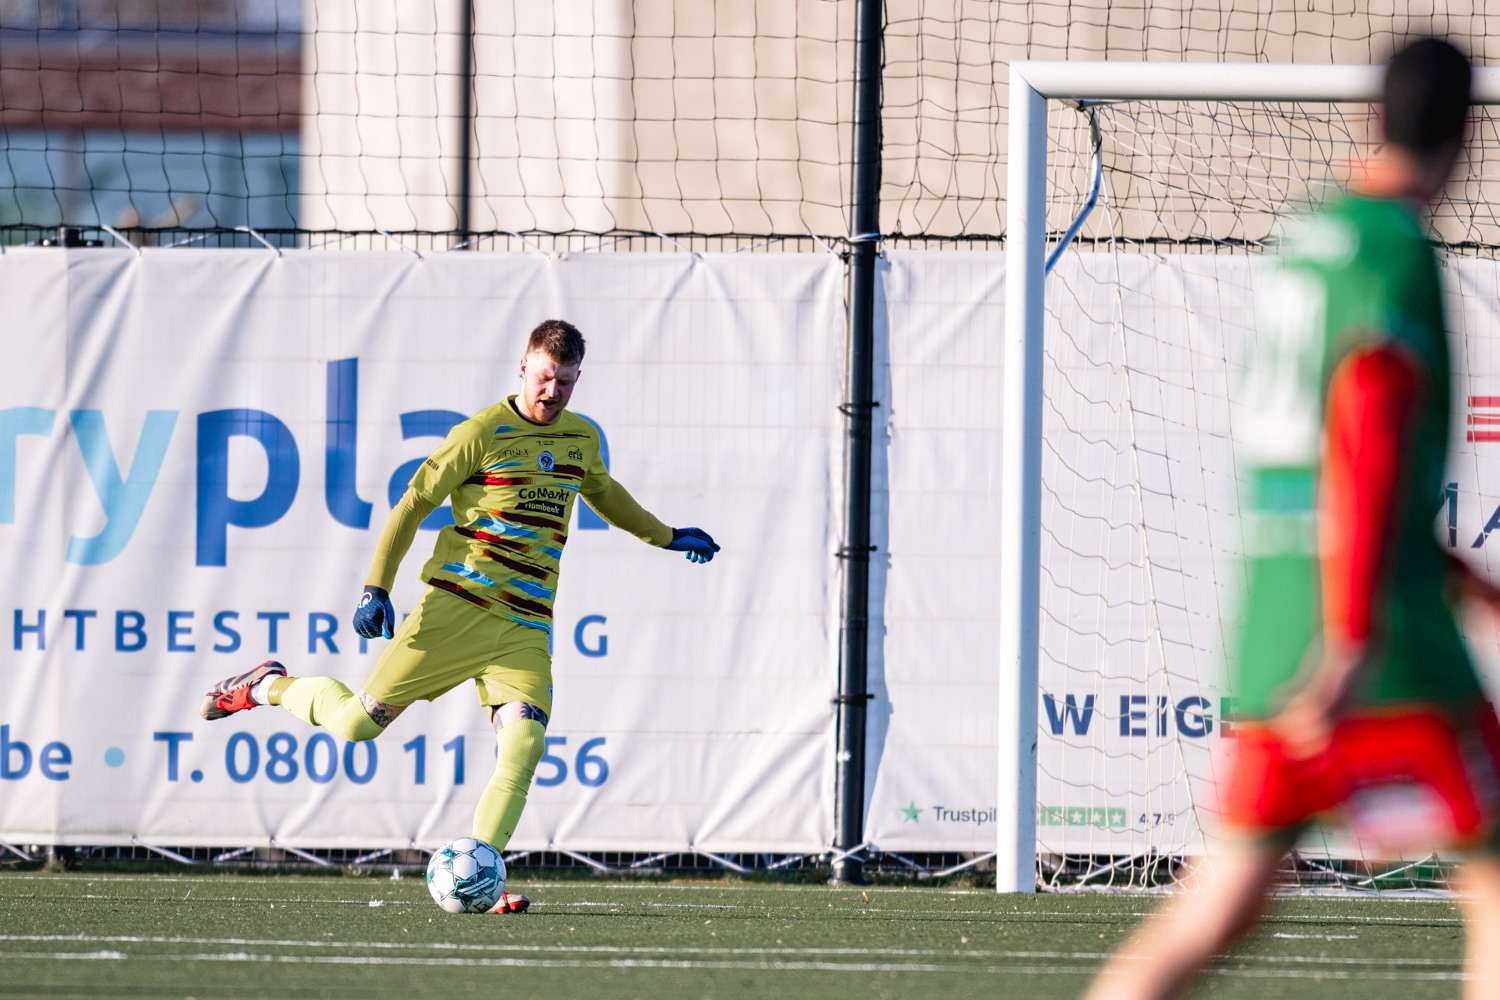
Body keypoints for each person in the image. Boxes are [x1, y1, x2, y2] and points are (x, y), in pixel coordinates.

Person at [1085, 38, 1500, 999]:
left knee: (1221, 903)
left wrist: (1465, 583)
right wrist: (1353, 639)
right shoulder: (1393, 249)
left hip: (1278, 634)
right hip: (1375, 649)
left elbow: (1333, 468)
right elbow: (1367, 425)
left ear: (1371, 117)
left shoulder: (1308, 238)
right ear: (1466, 139)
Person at [199, 319, 720, 913]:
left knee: (524, 743)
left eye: (566, 382)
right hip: (455, 608)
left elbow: (606, 494)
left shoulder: (580, 439)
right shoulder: (480, 432)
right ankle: (264, 686)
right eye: (545, 377)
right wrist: (376, 587)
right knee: (357, 725)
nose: (553, 392)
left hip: (525, 626)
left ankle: (480, 875)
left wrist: (666, 535)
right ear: (523, 367)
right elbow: (411, 504)